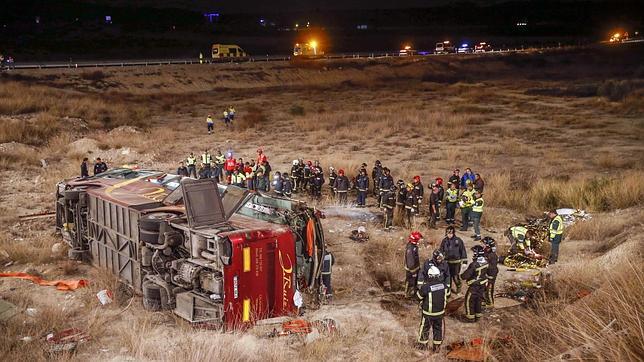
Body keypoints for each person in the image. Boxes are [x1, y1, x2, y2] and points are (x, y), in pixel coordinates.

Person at [415, 265, 448, 352]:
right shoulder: (444, 285)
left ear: (429, 276)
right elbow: (447, 295)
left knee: (424, 329)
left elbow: (418, 297)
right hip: (440, 313)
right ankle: (436, 348)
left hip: (428, 314)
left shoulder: (426, 287)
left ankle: (422, 346)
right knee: (438, 329)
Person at [461, 245, 488, 322]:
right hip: (482, 285)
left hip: (474, 286)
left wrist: (461, 275)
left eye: (474, 253)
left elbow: (465, 275)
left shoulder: (474, 264)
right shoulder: (485, 262)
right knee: (478, 301)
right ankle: (478, 317)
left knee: (469, 301)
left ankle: (470, 318)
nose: (473, 255)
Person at [440, 226, 467, 294]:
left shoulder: (458, 240)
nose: (449, 235)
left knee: (455, 277)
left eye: (451, 233)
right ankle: (448, 290)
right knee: (448, 276)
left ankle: (458, 287)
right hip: (447, 262)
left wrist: (464, 262)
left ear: (453, 233)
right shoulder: (444, 241)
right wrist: (440, 259)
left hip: (456, 263)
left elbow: (463, 251)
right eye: (448, 233)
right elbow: (441, 250)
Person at [481, 237, 498, 308]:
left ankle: (490, 304)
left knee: (489, 289)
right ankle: (484, 301)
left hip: (491, 274)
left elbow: (492, 267)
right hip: (485, 273)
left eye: (484, 244)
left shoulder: (492, 255)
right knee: (483, 288)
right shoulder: (485, 252)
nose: (483, 245)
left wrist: (485, 264)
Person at [405, 231, 423, 298]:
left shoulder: (413, 246)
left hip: (415, 268)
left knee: (415, 282)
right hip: (411, 270)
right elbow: (410, 262)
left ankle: (414, 294)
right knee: (410, 282)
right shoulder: (411, 248)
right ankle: (407, 295)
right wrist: (413, 272)